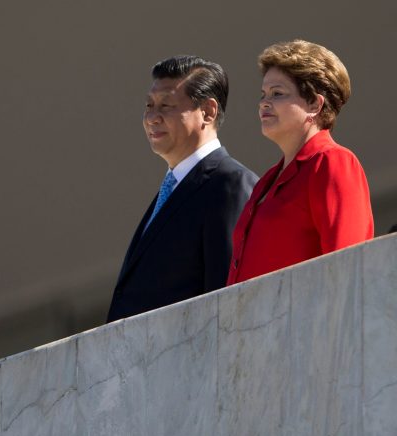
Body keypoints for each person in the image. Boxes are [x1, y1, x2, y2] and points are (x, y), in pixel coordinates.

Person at [107, 56, 258, 322]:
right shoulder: (173, 189)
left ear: (208, 112)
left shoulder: (229, 184)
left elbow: (227, 298)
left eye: (166, 105)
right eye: (148, 105)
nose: (152, 117)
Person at [227, 40, 374, 285]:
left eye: (277, 93)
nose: (264, 102)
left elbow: (348, 266)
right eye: (263, 94)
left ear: (315, 104)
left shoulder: (332, 162)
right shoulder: (266, 181)